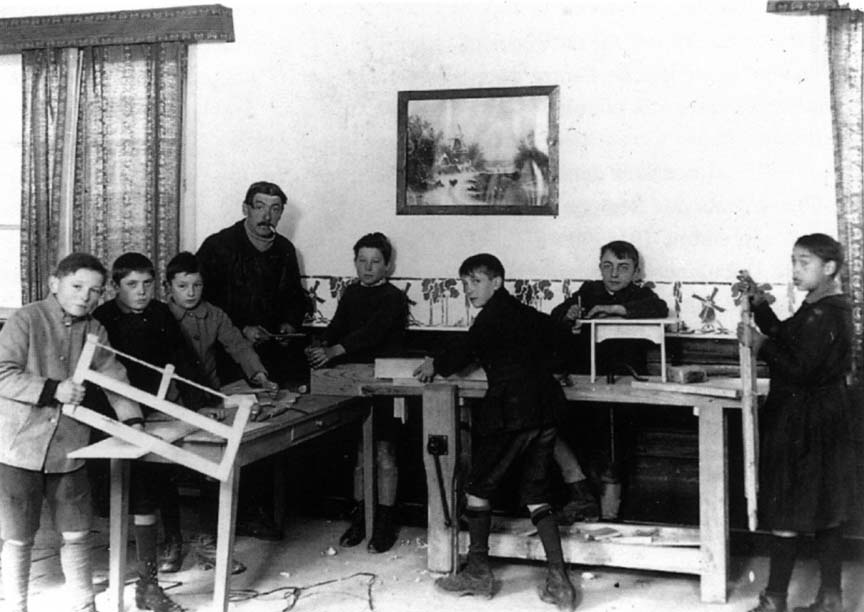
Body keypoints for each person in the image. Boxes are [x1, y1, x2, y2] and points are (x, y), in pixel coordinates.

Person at [414, 253, 579, 610]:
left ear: (497, 282)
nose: (469, 290)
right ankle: (559, 583)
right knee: (536, 492)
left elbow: (466, 349)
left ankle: (478, 574)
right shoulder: (524, 313)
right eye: (465, 283)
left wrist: (434, 364)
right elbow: (558, 335)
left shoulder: (492, 316)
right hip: (547, 409)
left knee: (477, 489)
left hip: (513, 413)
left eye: (475, 281)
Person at [0, 252, 142, 612]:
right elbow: (2, 372)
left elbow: (114, 379)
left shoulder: (95, 331)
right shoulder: (26, 319)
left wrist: (134, 422)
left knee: (77, 532)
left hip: (70, 447)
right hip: (19, 447)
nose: (85, 296)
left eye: (94, 291)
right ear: (54, 283)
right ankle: (15, 605)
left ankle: (83, 605)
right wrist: (53, 389)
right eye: (77, 286)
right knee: (18, 537)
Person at [737, 234, 856, 612]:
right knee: (826, 509)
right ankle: (831, 598)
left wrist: (759, 345)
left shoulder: (826, 313)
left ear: (829, 267)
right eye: (794, 261)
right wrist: (759, 305)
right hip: (821, 419)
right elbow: (788, 335)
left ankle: (775, 599)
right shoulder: (820, 307)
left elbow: (800, 368)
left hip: (805, 422)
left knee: (787, 507)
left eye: (804, 263)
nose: (795, 270)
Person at [94, 252, 214, 612]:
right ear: (115, 287)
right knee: (116, 490)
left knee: (157, 478)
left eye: (147, 283)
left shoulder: (161, 313)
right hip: (113, 409)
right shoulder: (102, 318)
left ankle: (166, 550)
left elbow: (184, 359)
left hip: (153, 410)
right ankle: (111, 570)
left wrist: (201, 403)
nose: (142, 291)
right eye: (132, 285)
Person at [164, 251, 279, 573]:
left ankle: (206, 540)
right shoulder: (161, 316)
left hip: (209, 399)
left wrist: (259, 375)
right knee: (162, 470)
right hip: (171, 402)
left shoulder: (214, 314)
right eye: (182, 286)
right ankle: (172, 540)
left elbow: (238, 346)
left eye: (197, 285)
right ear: (168, 287)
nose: (190, 293)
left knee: (214, 464)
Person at [549, 240, 668, 523]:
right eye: (608, 266)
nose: (614, 273)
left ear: (636, 272)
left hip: (623, 382)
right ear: (599, 267)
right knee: (561, 430)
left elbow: (659, 308)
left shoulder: (641, 295)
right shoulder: (588, 292)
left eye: (623, 267)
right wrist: (569, 314)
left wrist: (615, 309)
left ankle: (609, 516)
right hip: (584, 379)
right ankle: (581, 498)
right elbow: (556, 316)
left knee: (613, 443)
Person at [306, 232, 408, 553]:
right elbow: (337, 326)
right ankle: (361, 518)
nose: (368, 267)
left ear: (388, 266)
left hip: (388, 381)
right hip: (353, 382)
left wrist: (335, 349)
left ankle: (385, 521)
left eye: (375, 261)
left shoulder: (394, 298)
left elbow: (371, 333)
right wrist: (321, 344)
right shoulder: (351, 293)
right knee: (361, 452)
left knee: (385, 452)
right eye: (362, 261)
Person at [196, 180, 309, 386]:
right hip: (226, 352)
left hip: (272, 352)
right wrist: (242, 328)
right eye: (259, 207)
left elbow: (295, 297)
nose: (267, 216)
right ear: (245, 209)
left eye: (275, 209)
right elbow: (201, 300)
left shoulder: (285, 249)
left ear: (281, 214)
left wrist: (289, 324)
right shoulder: (218, 245)